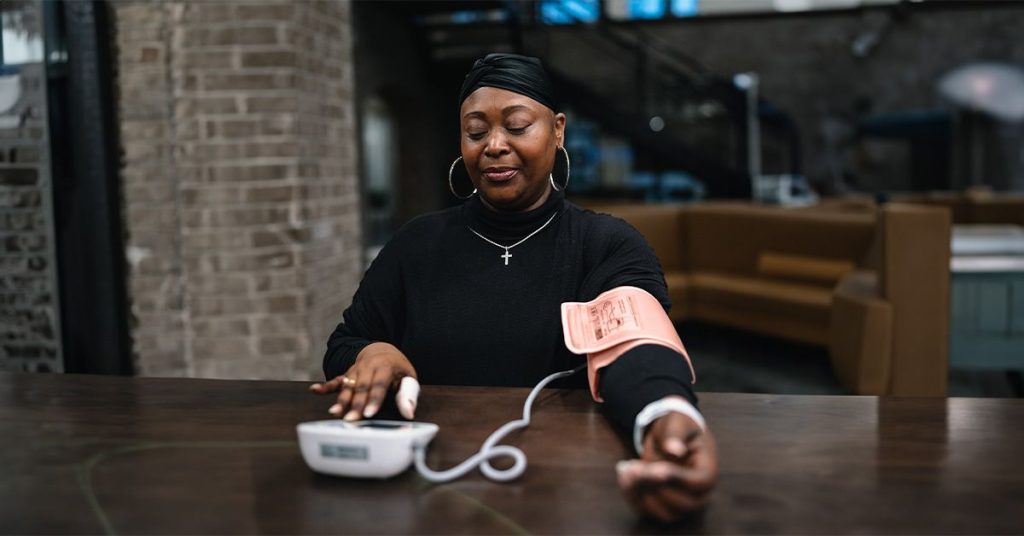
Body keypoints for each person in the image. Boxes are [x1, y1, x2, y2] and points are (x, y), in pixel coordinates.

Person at [310, 53, 718, 523]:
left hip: (565, 489)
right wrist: (375, 353)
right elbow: (345, 344)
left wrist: (667, 417)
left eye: (518, 126)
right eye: (476, 132)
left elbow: (636, 347)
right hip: (429, 494)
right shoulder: (416, 244)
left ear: (558, 130)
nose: (494, 146)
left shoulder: (607, 245)